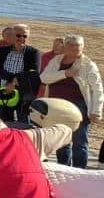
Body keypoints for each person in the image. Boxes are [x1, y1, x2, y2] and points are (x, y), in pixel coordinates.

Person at [38, 35, 102, 169]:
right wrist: (65, 73)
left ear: (83, 47)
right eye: (71, 45)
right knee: (62, 140)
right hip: (57, 107)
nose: (75, 48)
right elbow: (44, 78)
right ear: (65, 47)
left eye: (78, 45)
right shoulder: (56, 61)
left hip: (79, 107)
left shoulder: (88, 65)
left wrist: (96, 111)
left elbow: (98, 89)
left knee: (80, 142)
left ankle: (80, 171)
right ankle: (64, 168)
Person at [0, 24, 41, 117]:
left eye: (24, 36)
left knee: (23, 121)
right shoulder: (3, 50)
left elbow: (34, 72)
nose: (21, 38)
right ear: (13, 36)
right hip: (4, 90)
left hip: (23, 93)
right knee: (2, 120)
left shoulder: (33, 52)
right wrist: (11, 79)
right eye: (18, 35)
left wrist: (14, 82)